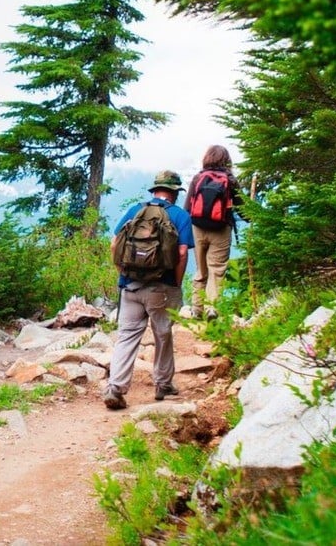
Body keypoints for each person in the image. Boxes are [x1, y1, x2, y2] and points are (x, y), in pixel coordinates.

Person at [104, 170, 195, 410]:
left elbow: (114, 244)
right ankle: (163, 384)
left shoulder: (135, 211)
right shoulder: (179, 215)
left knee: (127, 336)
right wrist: (175, 283)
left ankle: (115, 388)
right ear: (174, 192)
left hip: (130, 285)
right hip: (160, 287)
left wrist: (121, 272)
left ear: (154, 190)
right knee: (162, 334)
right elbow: (183, 253)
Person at [184, 145, 247, 318]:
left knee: (200, 270)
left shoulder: (198, 178)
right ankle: (212, 308)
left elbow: (187, 207)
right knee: (217, 269)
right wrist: (251, 217)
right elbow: (243, 209)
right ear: (226, 160)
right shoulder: (230, 180)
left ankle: (196, 309)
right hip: (221, 228)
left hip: (198, 227)